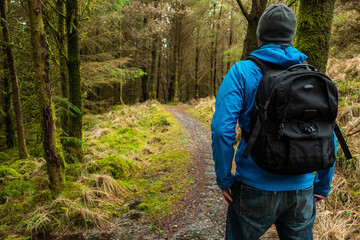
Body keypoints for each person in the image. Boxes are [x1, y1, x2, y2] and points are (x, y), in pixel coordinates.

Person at [211, 4, 336, 240]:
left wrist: (224, 177)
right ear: (291, 35)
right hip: (302, 188)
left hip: (253, 186)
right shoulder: (312, 74)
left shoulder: (242, 71)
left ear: (259, 35)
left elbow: (221, 129)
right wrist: (322, 183)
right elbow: (325, 130)